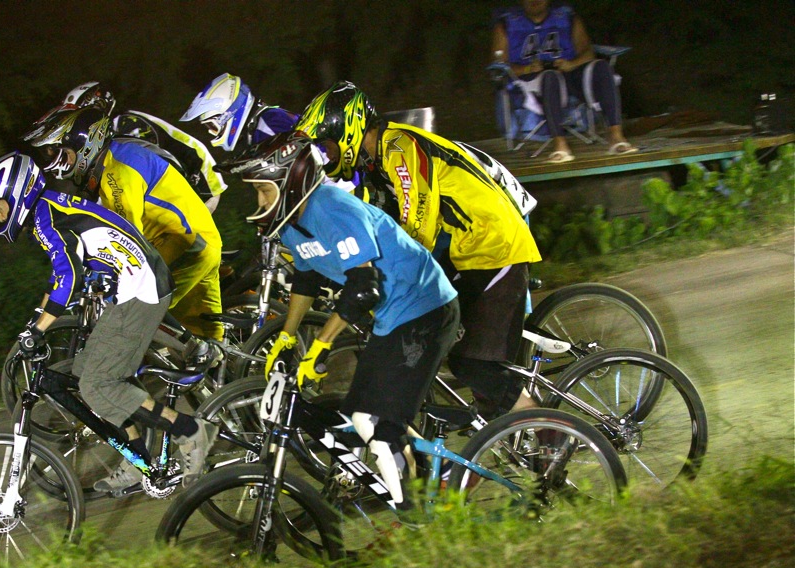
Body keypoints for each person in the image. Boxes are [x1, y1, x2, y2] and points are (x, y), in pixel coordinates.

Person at [218, 133, 460, 506]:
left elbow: (363, 290)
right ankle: (431, 479)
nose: (260, 201)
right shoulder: (295, 222)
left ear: (291, 181)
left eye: (264, 191)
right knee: (362, 417)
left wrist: (321, 344)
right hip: (393, 316)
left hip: (422, 307)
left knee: (378, 429)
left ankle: (417, 519)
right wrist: (286, 337)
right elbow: (307, 279)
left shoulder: (330, 207)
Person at [0, 151, 217, 493]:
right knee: (86, 374)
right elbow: (60, 278)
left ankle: (188, 430)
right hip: (133, 282)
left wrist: (39, 329)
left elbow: (68, 278)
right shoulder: (48, 209)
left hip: (141, 288)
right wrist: (36, 321)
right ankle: (137, 458)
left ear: (16, 192)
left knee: (98, 385)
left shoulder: (46, 219)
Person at [295, 81, 542, 422]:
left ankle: (552, 432)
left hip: (495, 246)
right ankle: (490, 436)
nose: (326, 154)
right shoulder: (373, 164)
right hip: (468, 250)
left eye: (325, 144)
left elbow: (417, 226)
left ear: (347, 130)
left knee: (470, 364)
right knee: (444, 332)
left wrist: (386, 281)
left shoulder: (399, 146)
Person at [22, 106, 225, 341]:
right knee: (206, 340)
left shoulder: (117, 172)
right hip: (199, 241)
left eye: (61, 154)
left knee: (124, 326)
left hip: (186, 244)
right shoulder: (117, 158)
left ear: (84, 143)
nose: (56, 164)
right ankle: (232, 371)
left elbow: (126, 241)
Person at [32, 81, 228, 213]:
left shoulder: (124, 123)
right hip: (191, 172)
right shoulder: (112, 131)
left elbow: (156, 161)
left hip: (202, 177)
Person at [492, 1, 636, 163]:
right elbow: (499, 64)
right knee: (550, 77)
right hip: (530, 81)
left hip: (568, 73)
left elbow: (587, 51)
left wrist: (571, 65)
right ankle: (560, 145)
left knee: (602, 67)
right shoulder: (506, 23)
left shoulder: (567, 17)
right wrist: (528, 69)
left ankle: (616, 136)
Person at [180, 73, 299, 154]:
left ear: (227, 114)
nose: (210, 131)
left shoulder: (269, 121)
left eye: (212, 126)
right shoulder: (257, 129)